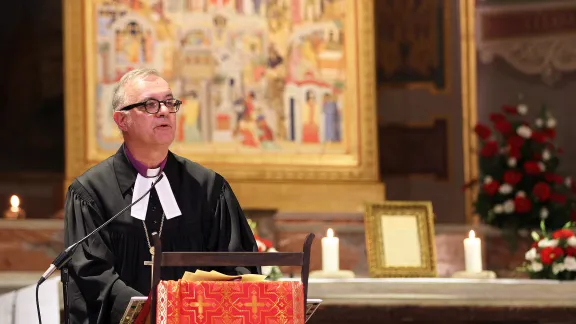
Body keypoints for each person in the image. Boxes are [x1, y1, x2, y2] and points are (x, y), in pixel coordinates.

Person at [64, 68, 259, 324]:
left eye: (169, 102)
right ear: (122, 120)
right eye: (150, 104)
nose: (165, 110)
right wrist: (147, 312)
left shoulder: (208, 188)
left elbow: (238, 264)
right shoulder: (91, 193)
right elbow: (90, 275)